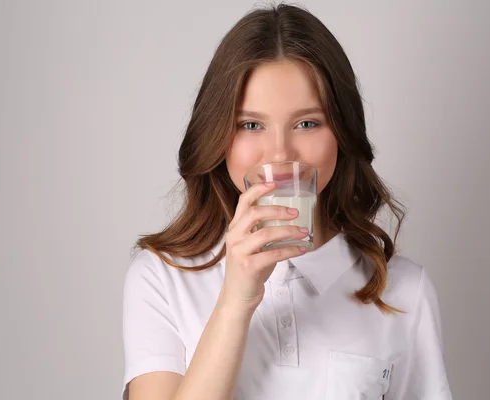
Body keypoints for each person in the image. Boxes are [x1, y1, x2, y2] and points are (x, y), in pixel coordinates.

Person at [122, 3, 452, 400]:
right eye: (251, 125)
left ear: (342, 132)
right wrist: (236, 299)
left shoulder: (405, 291)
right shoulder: (161, 277)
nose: (280, 154)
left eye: (307, 123)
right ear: (217, 134)